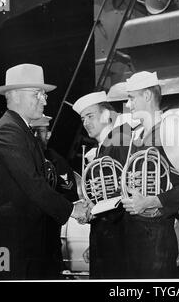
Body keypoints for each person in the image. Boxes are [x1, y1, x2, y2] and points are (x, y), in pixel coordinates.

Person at [0, 63, 91, 280]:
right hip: (5, 243)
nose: (44, 100)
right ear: (15, 95)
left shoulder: (21, 130)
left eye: (43, 95)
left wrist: (72, 205)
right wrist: (72, 211)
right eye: (38, 94)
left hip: (18, 240)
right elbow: (33, 184)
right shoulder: (8, 131)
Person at [121, 71, 179, 278]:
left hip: (157, 236)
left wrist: (149, 201)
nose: (128, 104)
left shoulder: (169, 131)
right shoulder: (137, 136)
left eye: (132, 98)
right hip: (134, 234)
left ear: (147, 96)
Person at [72, 91, 132, 279]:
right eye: (83, 119)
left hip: (119, 236)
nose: (86, 123)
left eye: (90, 116)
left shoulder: (120, 139)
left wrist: (93, 211)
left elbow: (124, 190)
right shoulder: (103, 147)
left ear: (107, 115)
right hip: (106, 235)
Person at [30, 114, 79, 278]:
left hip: (49, 237)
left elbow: (70, 196)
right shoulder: (22, 159)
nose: (36, 136)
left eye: (41, 131)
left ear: (48, 135)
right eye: (33, 131)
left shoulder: (58, 162)